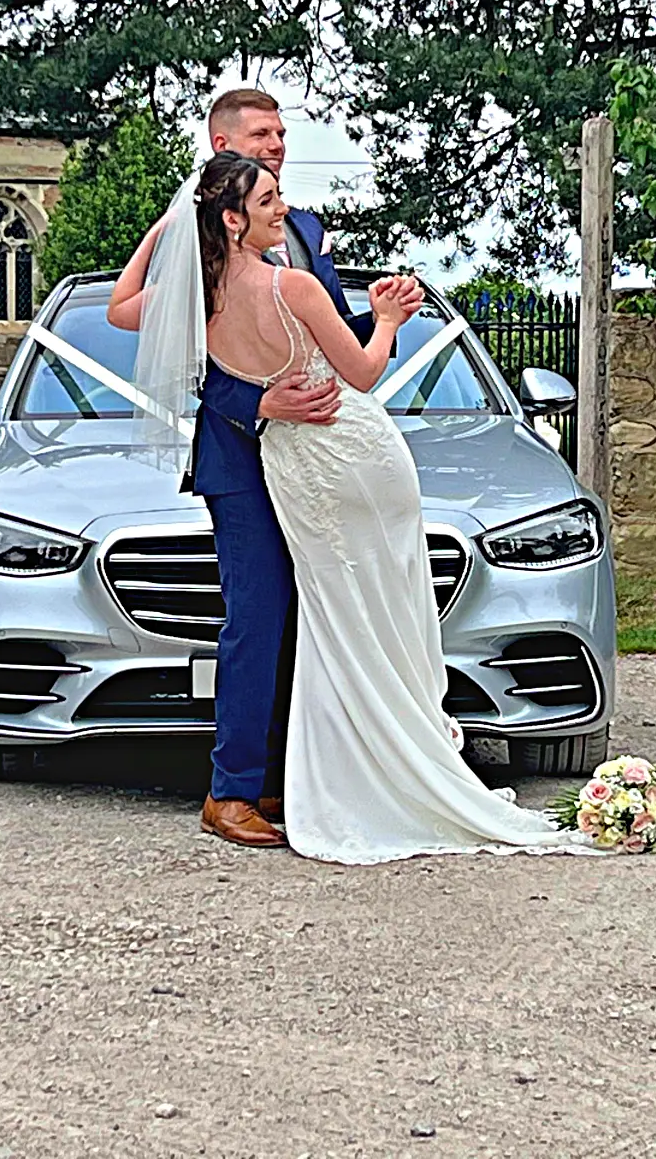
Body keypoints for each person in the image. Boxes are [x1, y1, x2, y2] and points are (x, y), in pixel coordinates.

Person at [113, 151, 598, 863]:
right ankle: (243, 787)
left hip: (296, 458)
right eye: (267, 179)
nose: (282, 191)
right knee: (318, 614)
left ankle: (310, 772)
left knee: (335, 616)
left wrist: (178, 231)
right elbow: (363, 371)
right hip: (308, 454)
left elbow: (147, 314)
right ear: (227, 208)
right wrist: (387, 318)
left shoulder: (223, 279)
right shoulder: (268, 280)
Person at [110, 89, 420, 847]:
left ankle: (299, 777)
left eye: (281, 133)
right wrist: (258, 406)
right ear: (221, 142)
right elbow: (156, 328)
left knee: (321, 612)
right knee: (257, 617)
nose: (277, 144)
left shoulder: (302, 230)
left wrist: (376, 318)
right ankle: (233, 789)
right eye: (260, 135)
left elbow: (323, 336)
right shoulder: (198, 239)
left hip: (319, 455)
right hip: (240, 458)